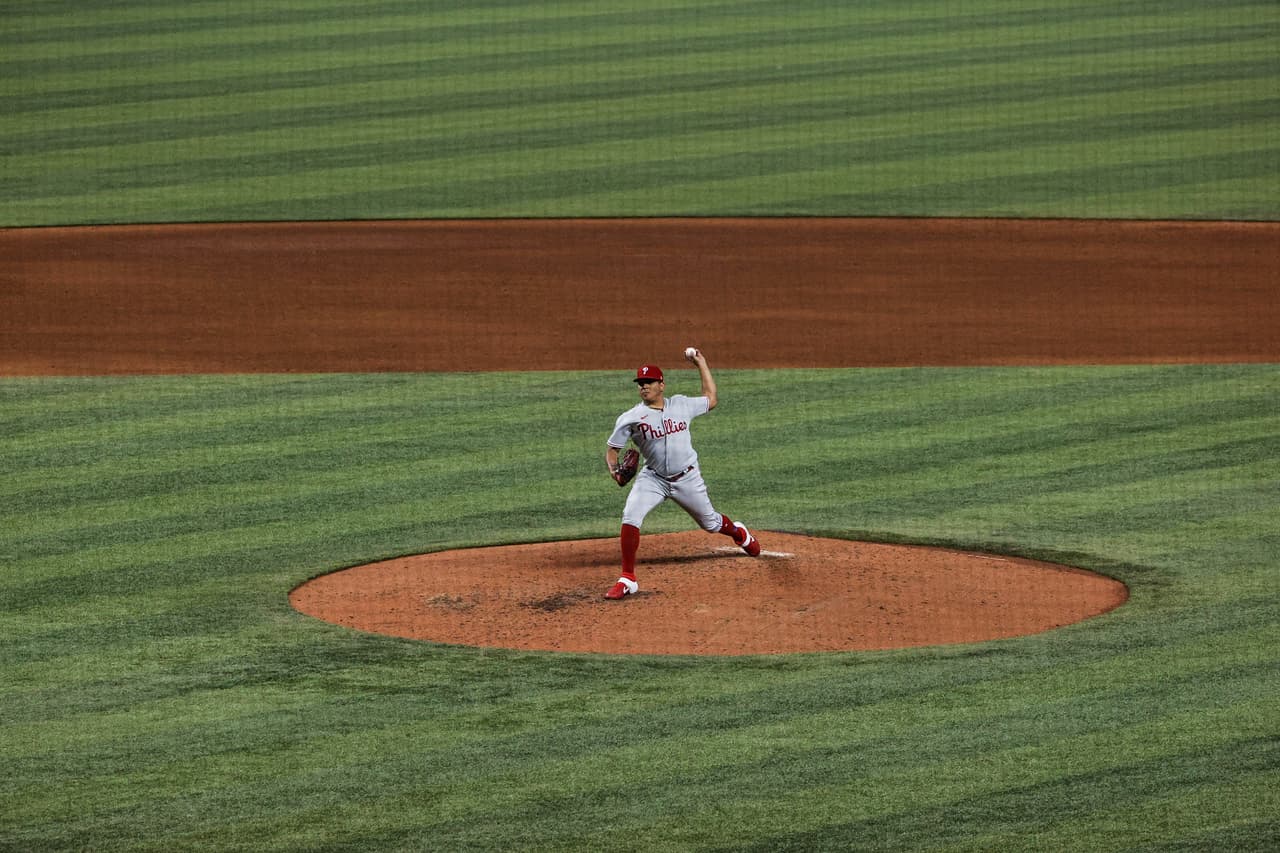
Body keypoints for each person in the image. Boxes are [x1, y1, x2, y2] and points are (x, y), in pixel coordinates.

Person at [603, 348, 761, 599]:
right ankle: (628, 578)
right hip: (653, 478)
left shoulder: (681, 405)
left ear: (661, 385)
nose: (643, 387)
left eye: (649, 382)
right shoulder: (631, 418)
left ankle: (739, 533)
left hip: (687, 478)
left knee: (710, 523)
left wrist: (702, 363)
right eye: (640, 383)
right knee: (631, 516)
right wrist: (614, 471)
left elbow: (711, 398)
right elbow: (612, 449)